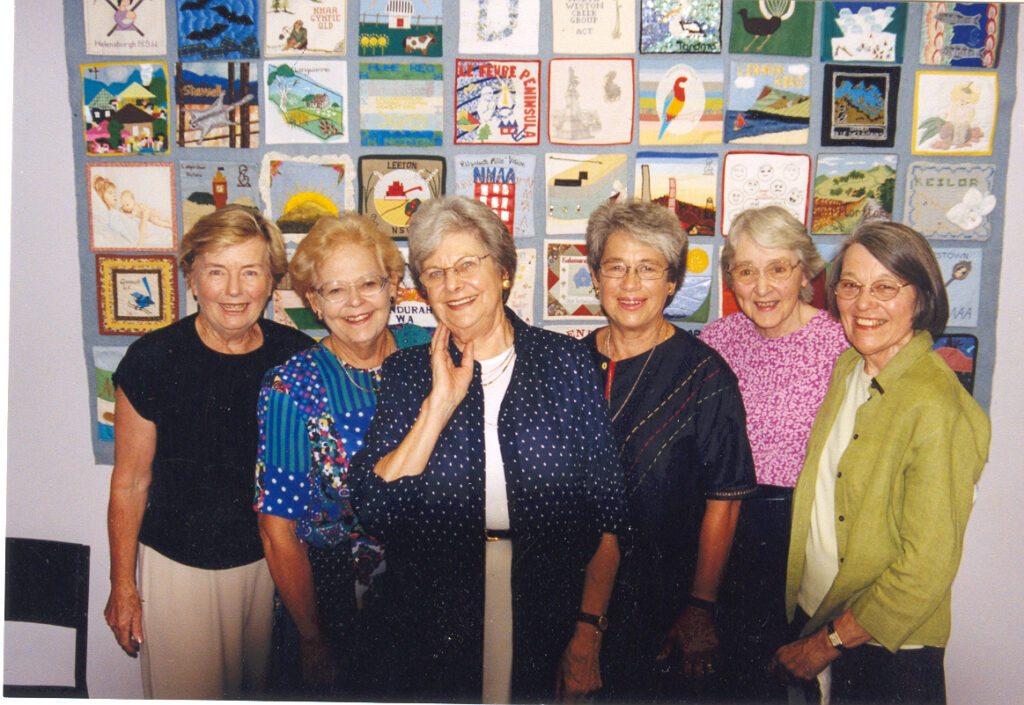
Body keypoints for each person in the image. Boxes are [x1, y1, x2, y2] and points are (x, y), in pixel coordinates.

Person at [350, 195, 626, 703]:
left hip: (547, 606)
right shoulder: (408, 374)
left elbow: (609, 513)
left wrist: (589, 631)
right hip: (435, 615)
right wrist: (438, 406)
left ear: (502, 270)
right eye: (434, 273)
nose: (452, 285)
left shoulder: (567, 363)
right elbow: (375, 509)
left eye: (466, 265)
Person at [773, 222, 990, 704]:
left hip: (886, 651)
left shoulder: (937, 407)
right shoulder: (849, 366)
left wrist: (825, 644)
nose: (863, 303)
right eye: (850, 285)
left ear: (923, 296)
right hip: (823, 622)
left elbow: (926, 568)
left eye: (885, 287)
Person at [103, 205, 313, 699]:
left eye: (250, 272)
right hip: (180, 574)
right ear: (193, 280)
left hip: (272, 569)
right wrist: (123, 585)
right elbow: (130, 482)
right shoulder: (153, 360)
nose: (234, 290)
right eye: (217, 272)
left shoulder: (296, 356)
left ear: (271, 281)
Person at [581, 200, 757, 702]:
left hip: (665, 603)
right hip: (572, 600)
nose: (631, 284)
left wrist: (700, 606)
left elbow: (725, 500)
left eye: (648, 268)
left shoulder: (707, 376)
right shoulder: (568, 365)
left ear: (672, 282)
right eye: (616, 268)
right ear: (596, 278)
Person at [254, 214, 430, 697]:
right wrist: (313, 640)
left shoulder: (432, 355)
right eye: (334, 290)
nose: (355, 302)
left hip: (431, 596)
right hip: (334, 604)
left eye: (368, 283)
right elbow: (277, 529)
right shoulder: (294, 385)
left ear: (394, 285)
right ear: (313, 300)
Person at [699, 206, 848, 700]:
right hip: (719, 529)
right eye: (747, 272)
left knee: (781, 680)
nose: (762, 288)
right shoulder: (716, 341)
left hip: (796, 539)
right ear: (731, 280)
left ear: (804, 271)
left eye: (778, 269)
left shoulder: (840, 347)